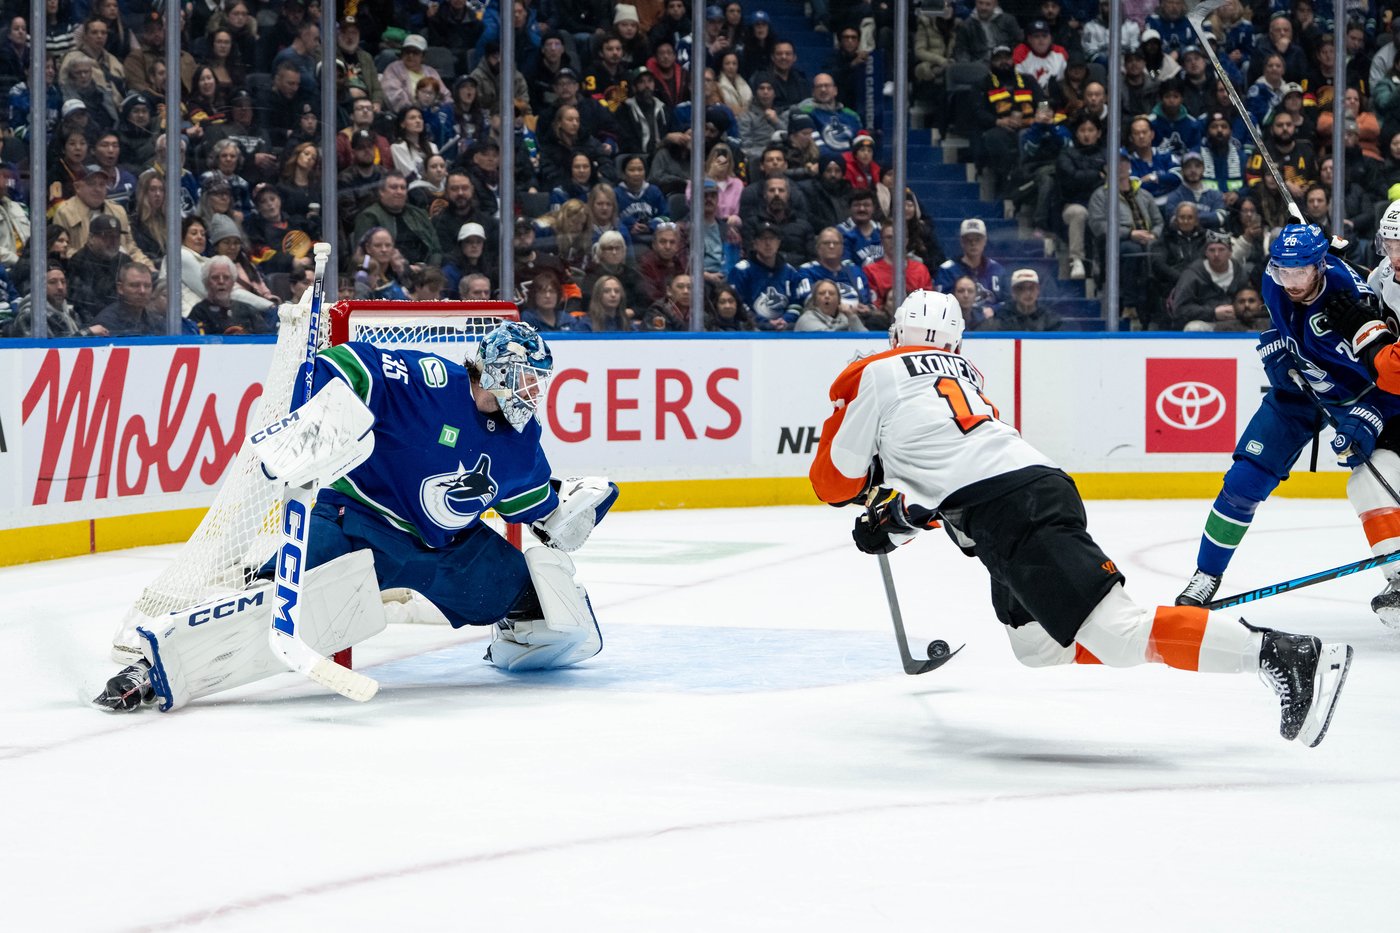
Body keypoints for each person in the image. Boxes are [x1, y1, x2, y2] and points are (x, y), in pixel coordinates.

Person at [809, 289, 1352, 747]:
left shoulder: (871, 372)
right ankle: (1170, 632)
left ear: (893, 334)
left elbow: (833, 484)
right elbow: (947, 485)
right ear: (956, 343)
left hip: (1013, 511)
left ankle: (1283, 654)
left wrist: (872, 491)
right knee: (1036, 645)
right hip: (1026, 493)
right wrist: (899, 516)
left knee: (1117, 634)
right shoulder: (969, 381)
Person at [95, 320, 616, 712]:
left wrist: (575, 507)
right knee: (276, 605)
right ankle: (153, 669)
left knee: (529, 598)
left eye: (538, 381)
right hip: (357, 522)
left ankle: (511, 637)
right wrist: (315, 407)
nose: (535, 392)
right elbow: (351, 363)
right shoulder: (432, 381)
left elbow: (537, 507)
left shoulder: (521, 438)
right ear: (497, 370)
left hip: (448, 550)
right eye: (527, 379)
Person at [1175, 222, 1400, 630]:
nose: (1290, 283)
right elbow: (1284, 324)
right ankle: (1205, 575)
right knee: (1244, 481)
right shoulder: (1271, 281)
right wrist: (1278, 348)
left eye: (1300, 273)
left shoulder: (1356, 300)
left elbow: (1391, 377)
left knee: (1374, 481)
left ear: (1320, 266)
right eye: (1283, 272)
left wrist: (1368, 417)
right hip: (1296, 395)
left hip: (1356, 400)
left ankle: (1397, 580)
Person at [729, 221, 804, 330]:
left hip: (785, 330)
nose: (768, 243)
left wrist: (785, 320)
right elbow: (739, 304)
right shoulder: (741, 271)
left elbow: (796, 303)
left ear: (778, 243)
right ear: (755, 243)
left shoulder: (790, 272)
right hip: (751, 330)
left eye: (772, 238)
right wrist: (764, 322)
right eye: (763, 239)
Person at [188, 255, 274, 335]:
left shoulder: (247, 309)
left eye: (226, 277)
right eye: (215, 277)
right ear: (206, 282)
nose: (221, 281)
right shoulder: (198, 313)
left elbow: (266, 338)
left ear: (233, 282)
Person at [934, 219, 1009, 306]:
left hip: (992, 319)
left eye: (977, 239)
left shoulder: (997, 269)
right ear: (962, 242)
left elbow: (1007, 302)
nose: (973, 243)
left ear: (985, 241)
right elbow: (941, 304)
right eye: (968, 239)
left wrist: (993, 310)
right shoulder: (947, 270)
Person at [987, 268, 1062, 331]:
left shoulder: (1050, 320)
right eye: (1021, 288)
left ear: (1038, 290)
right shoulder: (1002, 318)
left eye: (1031, 288)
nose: (1027, 293)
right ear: (1013, 292)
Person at [794, 278, 866, 332]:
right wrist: (848, 325)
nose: (827, 296)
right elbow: (828, 339)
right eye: (822, 293)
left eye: (831, 293)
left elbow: (866, 339)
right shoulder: (806, 319)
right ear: (815, 300)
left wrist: (852, 316)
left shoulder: (844, 317)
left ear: (838, 300)